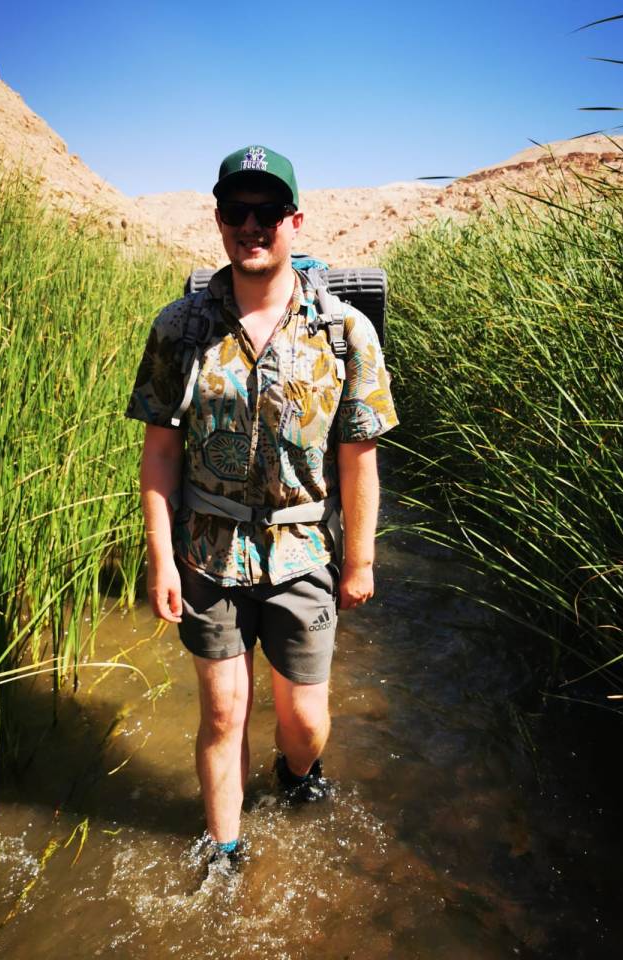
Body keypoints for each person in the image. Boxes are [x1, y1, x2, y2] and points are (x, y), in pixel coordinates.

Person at [125, 145, 398, 866]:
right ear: (218, 219)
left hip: (305, 549)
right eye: (237, 211)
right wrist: (161, 562)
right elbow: (159, 453)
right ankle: (226, 851)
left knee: (303, 720)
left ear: (293, 219)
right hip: (208, 552)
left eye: (267, 211)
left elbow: (359, 457)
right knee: (223, 711)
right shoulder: (180, 329)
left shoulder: (344, 333)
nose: (252, 225)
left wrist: (361, 561)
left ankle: (296, 772)